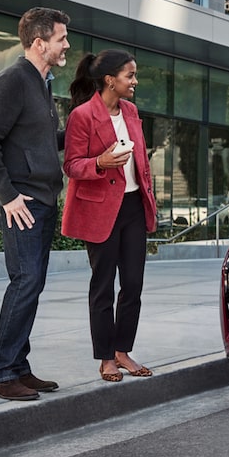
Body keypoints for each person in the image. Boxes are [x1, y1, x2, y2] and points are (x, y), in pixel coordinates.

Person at [0, 7, 71, 401]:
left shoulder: (41, 84)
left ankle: (19, 366)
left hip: (43, 199)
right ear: (39, 42)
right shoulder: (13, 80)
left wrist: (83, 128)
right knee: (25, 281)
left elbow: (43, 142)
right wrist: (7, 196)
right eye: (61, 38)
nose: (67, 45)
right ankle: (2, 373)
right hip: (22, 202)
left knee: (33, 283)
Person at [62, 50, 157, 383]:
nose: (134, 81)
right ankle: (106, 358)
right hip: (99, 209)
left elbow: (140, 159)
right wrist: (100, 163)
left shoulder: (131, 111)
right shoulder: (82, 115)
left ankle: (122, 351)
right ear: (109, 80)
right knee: (102, 286)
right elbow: (71, 165)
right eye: (129, 75)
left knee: (132, 284)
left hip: (132, 206)